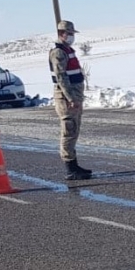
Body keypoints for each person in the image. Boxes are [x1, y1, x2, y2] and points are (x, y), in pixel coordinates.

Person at [49, 20, 92, 181]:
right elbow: (61, 78)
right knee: (69, 131)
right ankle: (70, 168)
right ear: (62, 34)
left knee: (74, 131)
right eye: (70, 34)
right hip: (67, 99)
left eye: (73, 34)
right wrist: (70, 98)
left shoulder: (68, 50)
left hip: (75, 96)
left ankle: (74, 166)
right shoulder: (58, 52)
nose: (72, 37)